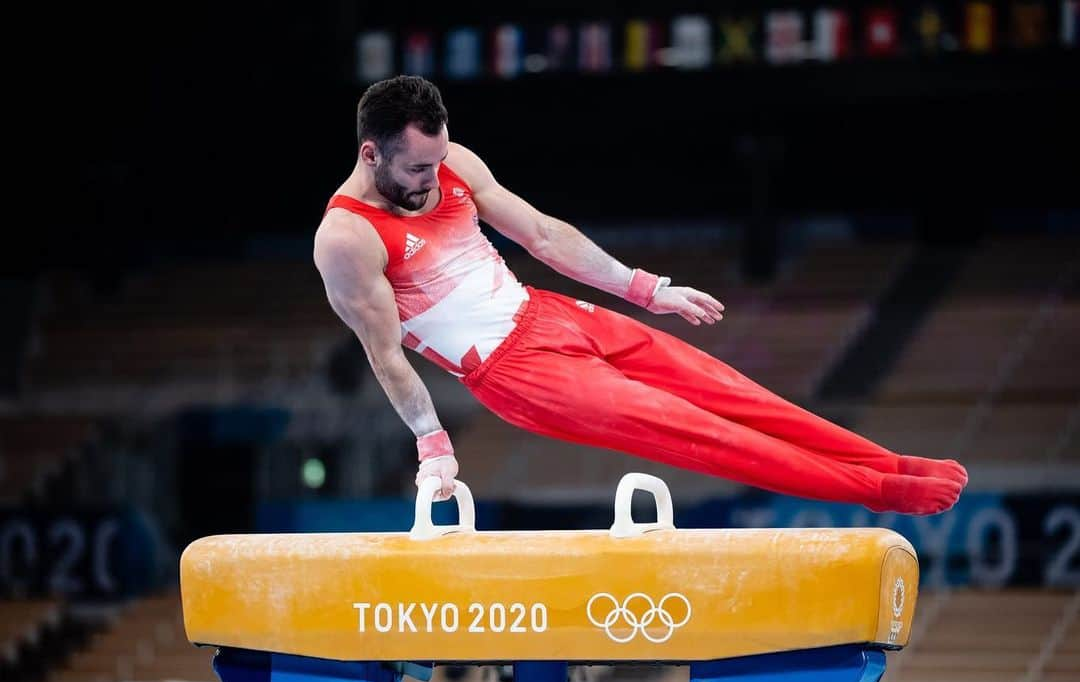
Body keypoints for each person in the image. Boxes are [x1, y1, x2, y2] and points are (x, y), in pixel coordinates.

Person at [313, 75, 967, 515]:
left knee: (734, 393)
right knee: (703, 433)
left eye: (439, 158)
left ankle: (894, 462)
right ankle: (883, 492)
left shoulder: (452, 162)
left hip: (547, 311)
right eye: (418, 168)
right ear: (372, 155)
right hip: (517, 374)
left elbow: (542, 234)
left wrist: (647, 290)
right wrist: (432, 443)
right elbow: (385, 352)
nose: (433, 178)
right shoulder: (347, 238)